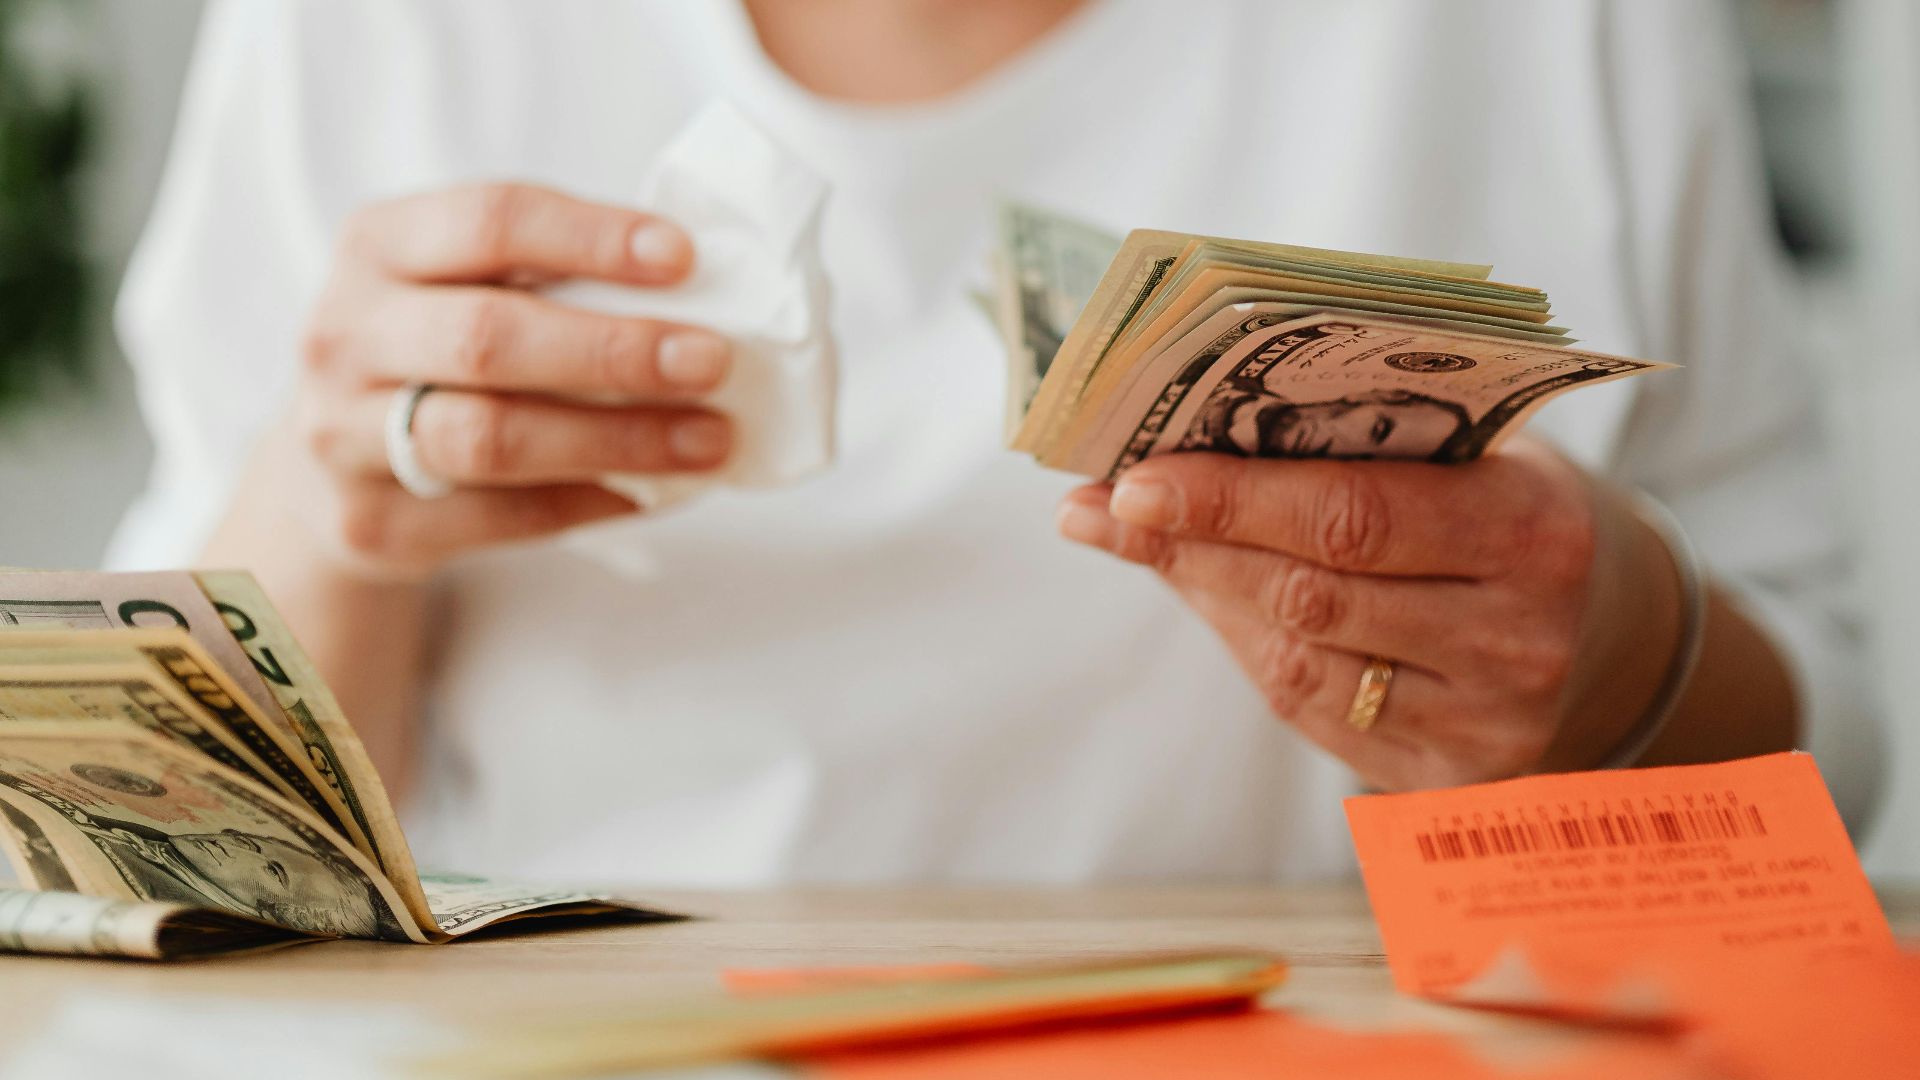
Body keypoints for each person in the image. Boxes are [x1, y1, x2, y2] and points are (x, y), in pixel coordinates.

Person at [108, 0, 1878, 885]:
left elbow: (1835, 766)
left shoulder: (1553, 33)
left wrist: (1619, 651)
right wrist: (329, 517)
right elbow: (149, 845)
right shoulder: (372, 33)